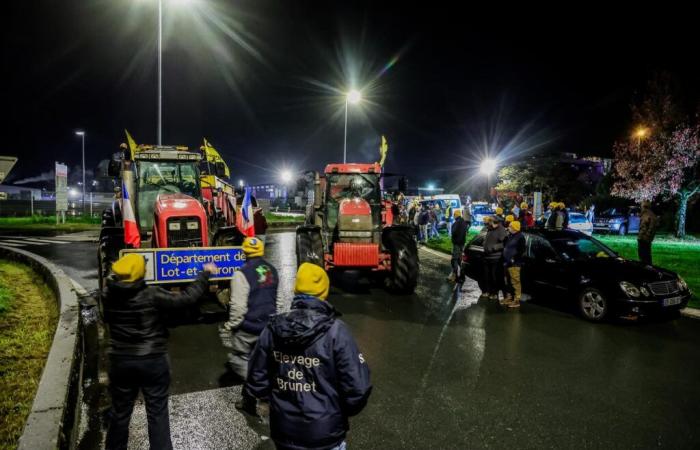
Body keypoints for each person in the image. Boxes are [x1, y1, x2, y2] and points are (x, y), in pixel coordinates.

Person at [245, 263, 372, 450]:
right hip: (325, 436)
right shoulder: (336, 332)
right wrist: (336, 413)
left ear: (297, 290)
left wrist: (278, 404)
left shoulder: (272, 329)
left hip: (284, 433)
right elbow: (358, 388)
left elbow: (256, 381)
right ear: (324, 292)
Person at [102, 254, 216, 450]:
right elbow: (186, 299)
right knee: (157, 413)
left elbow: (106, 318)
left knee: (120, 413)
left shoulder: (107, 295)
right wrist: (204, 274)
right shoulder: (151, 294)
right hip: (152, 359)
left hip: (121, 361)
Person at [224, 237, 284, 412]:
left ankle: (260, 394)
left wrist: (231, 325)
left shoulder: (241, 274)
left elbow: (238, 306)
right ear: (262, 251)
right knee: (265, 362)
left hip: (248, 328)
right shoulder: (272, 270)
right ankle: (249, 400)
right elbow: (279, 301)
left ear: (244, 253)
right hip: (269, 327)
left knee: (240, 361)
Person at [482, 216, 507, 300]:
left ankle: (494, 293)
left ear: (493, 222)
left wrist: (494, 247)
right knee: (486, 276)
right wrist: (484, 243)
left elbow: (504, 243)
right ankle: (488, 291)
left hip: (495, 257)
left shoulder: (501, 230)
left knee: (494, 276)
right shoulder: (490, 228)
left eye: (489, 222)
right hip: (487, 256)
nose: (488, 223)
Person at [503, 220, 526, 308]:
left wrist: (513, 259)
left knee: (515, 282)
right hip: (507, 262)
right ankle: (509, 298)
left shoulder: (520, 237)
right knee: (508, 281)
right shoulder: (510, 236)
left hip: (514, 264)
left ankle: (516, 300)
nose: (509, 228)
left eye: (510, 227)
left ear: (515, 228)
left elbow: (521, 251)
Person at [448, 209, 468, 282]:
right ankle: (462, 275)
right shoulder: (464, 222)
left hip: (456, 243)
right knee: (460, 259)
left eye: (454, 215)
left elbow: (454, 232)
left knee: (454, 259)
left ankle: (455, 275)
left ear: (455, 215)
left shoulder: (456, 223)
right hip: (462, 243)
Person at [637, 200, 658, 265]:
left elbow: (649, 228)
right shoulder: (650, 215)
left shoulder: (646, 215)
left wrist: (645, 236)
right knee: (646, 255)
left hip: (644, 239)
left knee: (644, 256)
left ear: (644, 206)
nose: (640, 207)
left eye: (641, 205)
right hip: (646, 238)